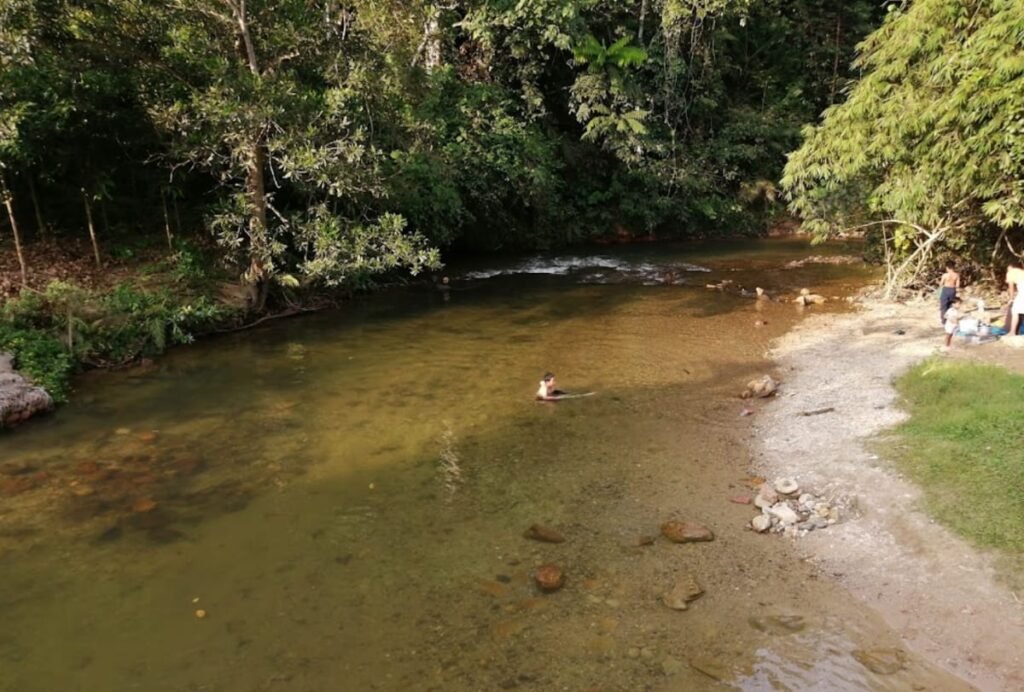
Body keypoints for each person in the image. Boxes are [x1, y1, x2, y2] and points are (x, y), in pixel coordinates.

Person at [938, 261, 960, 327]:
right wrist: (957, 292)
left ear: (947, 267)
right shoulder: (956, 275)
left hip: (946, 289)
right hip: (952, 290)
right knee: (951, 306)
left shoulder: (945, 275)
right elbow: (957, 285)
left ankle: (943, 321)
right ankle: (950, 320)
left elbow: (941, 284)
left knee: (943, 306)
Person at [1007, 260, 1024, 336]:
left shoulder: (1011, 272)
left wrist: (1011, 299)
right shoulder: (1021, 271)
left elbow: (1011, 288)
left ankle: (1012, 332)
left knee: (1015, 310)